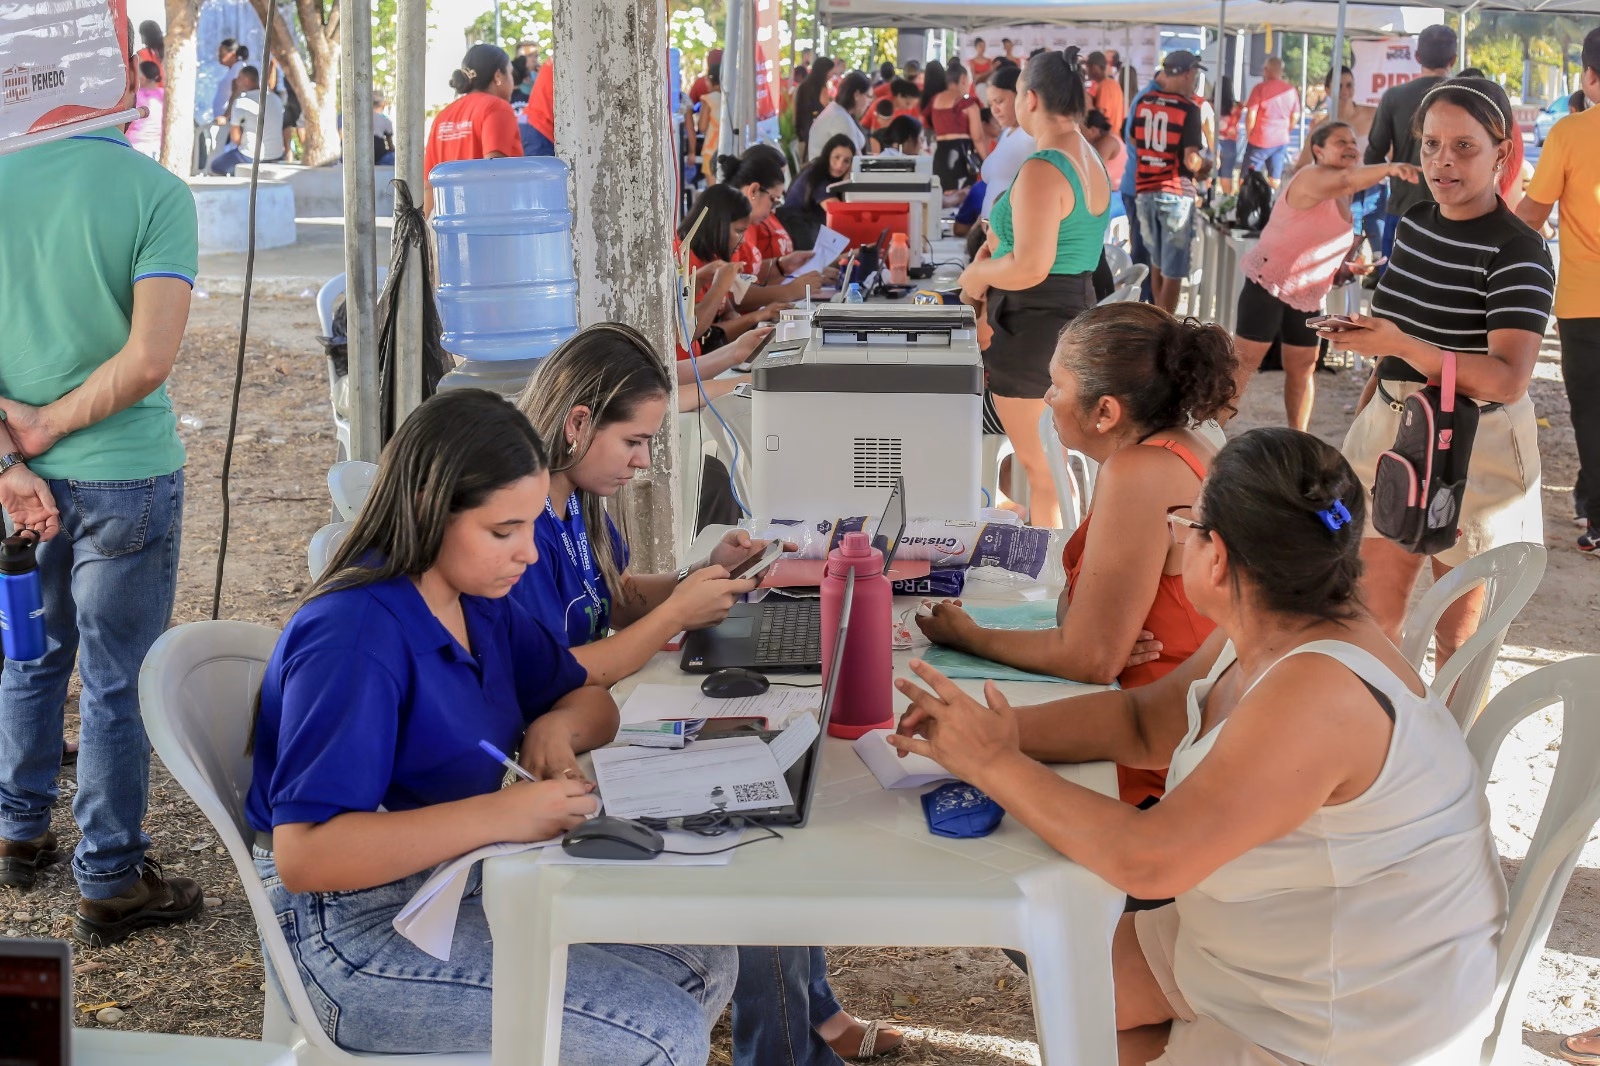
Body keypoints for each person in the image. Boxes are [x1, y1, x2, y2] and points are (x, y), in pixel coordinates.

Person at [892, 427, 1506, 1066]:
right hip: (1279, 933)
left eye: (1187, 525)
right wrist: (1004, 732)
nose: (1179, 538)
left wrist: (992, 763)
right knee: (1068, 985)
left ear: (1217, 558)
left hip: (1349, 1015)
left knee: (1076, 1010)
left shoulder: (1317, 692)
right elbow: (1142, 724)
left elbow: (1149, 862)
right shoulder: (1273, 621)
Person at [246, 389, 735, 1060]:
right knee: (663, 1033)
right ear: (427, 510)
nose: (530, 554)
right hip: (354, 932)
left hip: (460, 879)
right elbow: (308, 856)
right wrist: (505, 816)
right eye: (504, 531)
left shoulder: (477, 602)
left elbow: (591, 700)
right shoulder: (354, 637)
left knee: (704, 960)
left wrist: (552, 732)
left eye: (532, 526)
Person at [513, 328, 905, 1064]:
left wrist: (702, 571)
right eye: (633, 441)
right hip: (563, 747)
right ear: (576, 422)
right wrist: (675, 616)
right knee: (753, 830)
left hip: (607, 718)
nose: (641, 461)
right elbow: (558, 669)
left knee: (772, 779)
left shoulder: (578, 502)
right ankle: (790, 1043)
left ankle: (810, 1012)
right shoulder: (522, 518)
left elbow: (616, 596)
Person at [0, 50, 201, 944]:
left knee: (28, 654)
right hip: (127, 470)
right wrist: (48, 428)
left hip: (17, 481)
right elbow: (150, 358)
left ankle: (18, 829)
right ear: (121, 87)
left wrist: (15, 453)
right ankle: (111, 877)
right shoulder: (157, 193)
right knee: (118, 681)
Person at [919, 303, 1234, 806]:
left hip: (1161, 756)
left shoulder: (1141, 473)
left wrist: (970, 637)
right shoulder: (1182, 443)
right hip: (1162, 714)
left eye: (1057, 386)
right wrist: (1085, 627)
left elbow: (1089, 658)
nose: (1047, 397)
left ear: (1106, 412)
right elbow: (1085, 629)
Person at [1319, 77, 1553, 664]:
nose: (1442, 161)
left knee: (1460, 635)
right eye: (1429, 145)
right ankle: (1383, 745)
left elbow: (1507, 379)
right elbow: (1397, 325)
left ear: (1502, 152)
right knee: (1372, 613)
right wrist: (1373, 361)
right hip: (1393, 427)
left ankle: (1451, 754)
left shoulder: (1519, 249)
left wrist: (1401, 342)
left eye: (1464, 147)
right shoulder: (1419, 221)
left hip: (1479, 445)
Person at [957, 47, 1112, 530]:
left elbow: (1029, 267)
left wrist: (979, 275)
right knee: (1050, 466)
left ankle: (1054, 584)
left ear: (1031, 98)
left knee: (1041, 472)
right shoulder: (1087, 155)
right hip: (1064, 321)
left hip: (1033, 329)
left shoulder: (1047, 165)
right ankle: (1062, 572)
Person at [1232, 123, 1417, 430]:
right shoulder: (1310, 176)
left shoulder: (1344, 194)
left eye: (1352, 143)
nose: (1350, 147)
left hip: (1307, 293)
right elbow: (1345, 179)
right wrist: (1390, 167)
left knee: (1304, 367)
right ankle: (1212, 431)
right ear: (1318, 150)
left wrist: (1344, 266)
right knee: (1243, 368)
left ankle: (1298, 436)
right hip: (1268, 283)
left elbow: (1316, 239)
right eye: (1339, 141)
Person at [1519, 28, 1600, 556]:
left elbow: (1532, 214)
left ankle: (1596, 516)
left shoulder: (1572, 132)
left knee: (1591, 411)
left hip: (1583, 301)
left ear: (1590, 76)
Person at [1365, 24, 1457, 262]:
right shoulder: (1465, 97)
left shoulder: (1394, 97)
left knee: (1395, 290)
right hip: (1454, 211)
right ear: (1454, 59)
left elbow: (1372, 156)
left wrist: (1397, 167)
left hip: (1403, 208)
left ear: (1417, 57)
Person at [1131, 51, 1208, 314]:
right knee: (1173, 270)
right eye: (1194, 75)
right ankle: (1166, 326)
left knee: (1157, 262)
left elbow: (1132, 140)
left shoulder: (1144, 101)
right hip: (1174, 191)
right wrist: (1205, 165)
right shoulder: (1188, 108)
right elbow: (1191, 160)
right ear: (1187, 73)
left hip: (1144, 190)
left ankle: (1156, 318)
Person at [716, 152, 834, 305]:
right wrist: (790, 291)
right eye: (773, 200)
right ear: (753, 191)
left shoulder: (744, 224)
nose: (773, 210)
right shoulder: (731, 228)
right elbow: (733, 295)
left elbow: (748, 273)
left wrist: (782, 265)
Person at [679, 185, 784, 346]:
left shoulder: (714, 256)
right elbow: (692, 331)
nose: (742, 240)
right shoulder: (683, 260)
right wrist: (758, 316)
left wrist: (732, 315)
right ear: (717, 226)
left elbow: (725, 308)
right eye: (739, 231)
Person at [1296, 67, 1383, 254]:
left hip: (1374, 189)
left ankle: (1377, 278)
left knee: (1381, 249)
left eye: (1349, 85)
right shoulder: (1322, 127)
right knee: (1347, 250)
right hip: (1341, 192)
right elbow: (1302, 165)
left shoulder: (1372, 115)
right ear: (1327, 89)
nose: (1345, 91)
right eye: (1339, 86)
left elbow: (1391, 149)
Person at [423, 44, 522, 208]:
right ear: (498, 75)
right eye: (511, 73)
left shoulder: (443, 116)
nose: (512, 81)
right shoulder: (497, 107)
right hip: (486, 221)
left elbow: (429, 186)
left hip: (446, 222)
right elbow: (495, 169)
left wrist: (425, 228)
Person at [978, 63, 1037, 217]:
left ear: (1022, 96)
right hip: (993, 233)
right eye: (991, 104)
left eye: (1000, 101)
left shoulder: (1032, 134)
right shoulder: (1006, 133)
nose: (994, 110)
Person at [208, 66, 285, 175]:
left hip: (250, 156)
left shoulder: (241, 102)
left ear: (246, 80)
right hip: (276, 155)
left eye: (239, 78)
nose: (236, 81)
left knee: (215, 167)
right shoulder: (276, 99)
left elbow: (235, 138)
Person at [781, 133, 855, 241]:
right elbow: (841, 218)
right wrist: (847, 182)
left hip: (802, 232)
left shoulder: (816, 169)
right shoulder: (817, 179)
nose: (840, 165)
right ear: (828, 155)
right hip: (796, 236)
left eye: (846, 161)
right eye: (836, 157)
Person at [925, 61, 987, 190]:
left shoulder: (934, 100)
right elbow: (978, 138)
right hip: (961, 156)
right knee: (963, 198)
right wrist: (988, 161)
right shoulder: (967, 103)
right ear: (963, 79)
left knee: (943, 198)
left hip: (940, 155)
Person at [1242, 56, 1300, 186]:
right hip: (1281, 139)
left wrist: (1249, 133)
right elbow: (1295, 116)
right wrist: (1286, 130)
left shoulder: (1259, 88)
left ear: (1266, 70)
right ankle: (1274, 201)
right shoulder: (1290, 91)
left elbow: (1251, 114)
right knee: (1275, 177)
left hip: (1260, 138)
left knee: (1247, 176)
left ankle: (1249, 202)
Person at [805, 70, 870, 160]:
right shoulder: (840, 118)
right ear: (856, 95)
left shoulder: (838, 112)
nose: (868, 103)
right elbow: (855, 161)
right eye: (867, 96)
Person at [792, 57, 837, 159]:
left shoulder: (802, 86)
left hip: (802, 135)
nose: (832, 75)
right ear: (824, 71)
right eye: (831, 72)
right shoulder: (821, 88)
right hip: (815, 137)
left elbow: (795, 115)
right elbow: (828, 111)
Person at [127, 61, 165, 160]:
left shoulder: (135, 96)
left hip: (134, 147)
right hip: (159, 147)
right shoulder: (165, 96)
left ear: (142, 79)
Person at [1085, 51, 1126, 135]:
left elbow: (1099, 117)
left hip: (1107, 136)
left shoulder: (1104, 86)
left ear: (1095, 67)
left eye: (1088, 67)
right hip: (1115, 136)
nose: (1086, 71)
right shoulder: (1114, 84)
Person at [1084, 109, 1126, 188]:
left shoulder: (1108, 142)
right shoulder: (1105, 140)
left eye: (1082, 130)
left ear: (1092, 130)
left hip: (1115, 193)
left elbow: (1092, 171)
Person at [1215, 76, 1243, 196]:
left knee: (1207, 175)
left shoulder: (1210, 105)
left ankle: (1206, 200)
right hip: (1230, 144)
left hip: (1213, 141)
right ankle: (1226, 201)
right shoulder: (1236, 107)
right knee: (1226, 176)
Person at [136, 20, 164, 86]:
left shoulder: (171, 53)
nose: (142, 41)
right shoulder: (141, 55)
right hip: (150, 95)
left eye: (143, 36)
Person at [371, 92, 395, 166]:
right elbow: (390, 143)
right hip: (379, 156)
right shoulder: (385, 120)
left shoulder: (357, 119)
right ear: (383, 105)